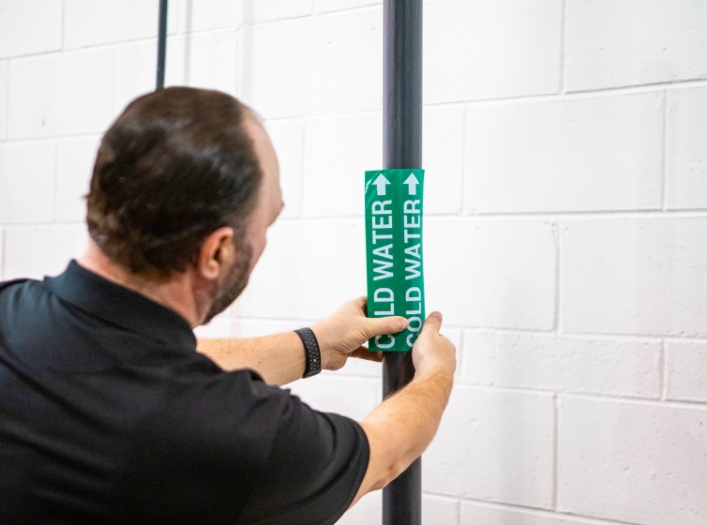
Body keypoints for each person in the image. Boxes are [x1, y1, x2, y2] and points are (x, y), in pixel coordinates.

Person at [0, 87, 456, 525]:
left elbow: (143, 365)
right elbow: (384, 455)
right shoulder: (232, 436)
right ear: (217, 253)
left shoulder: (11, 314)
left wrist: (316, 345)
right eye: (267, 224)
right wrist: (435, 371)